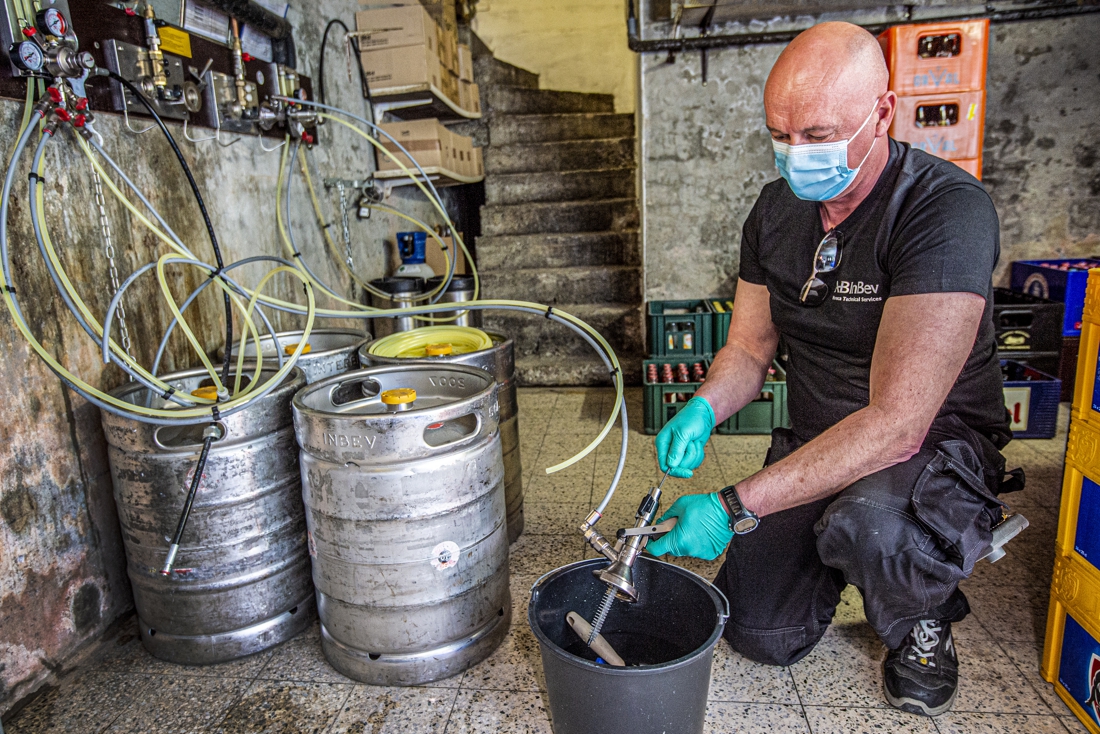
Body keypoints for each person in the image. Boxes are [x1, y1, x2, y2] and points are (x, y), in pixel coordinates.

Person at [646, 21, 1020, 718]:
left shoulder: (943, 212)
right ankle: (832, 539)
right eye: (780, 135)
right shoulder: (774, 210)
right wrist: (703, 406)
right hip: (821, 436)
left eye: (818, 135)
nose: (796, 156)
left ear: (882, 114)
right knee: (759, 632)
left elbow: (897, 425)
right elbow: (749, 349)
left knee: (872, 523)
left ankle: (924, 613)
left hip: (926, 450)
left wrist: (734, 507)